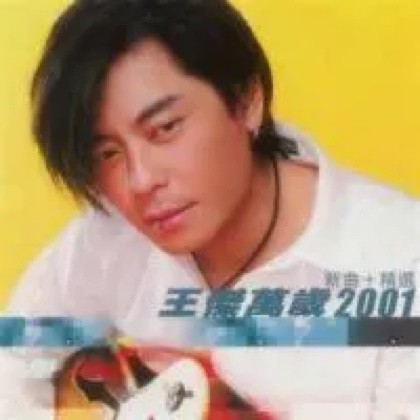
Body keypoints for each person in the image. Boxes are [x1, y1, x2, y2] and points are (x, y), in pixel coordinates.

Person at [2, 0, 420, 418]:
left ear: (246, 100)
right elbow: (13, 354)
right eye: (108, 153)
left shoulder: (401, 266)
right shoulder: (109, 240)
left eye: (165, 128)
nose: (140, 181)